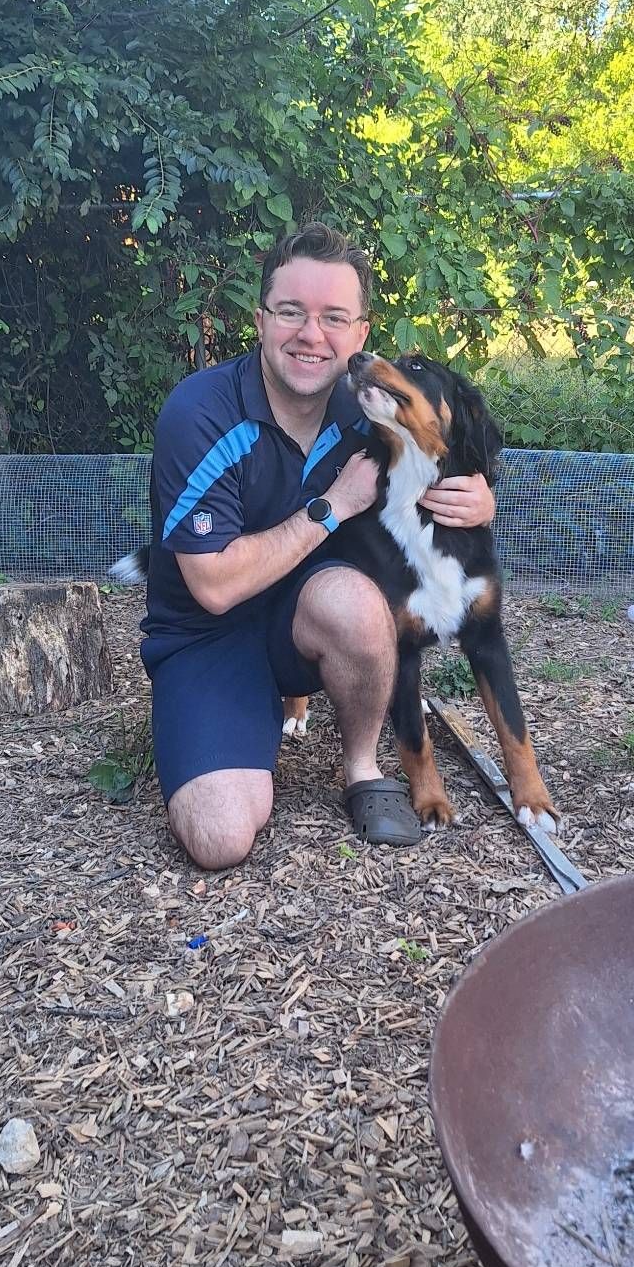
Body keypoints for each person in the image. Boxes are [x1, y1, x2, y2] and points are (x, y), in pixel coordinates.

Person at [134, 222, 496, 870]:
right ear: (262, 319)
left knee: (361, 603)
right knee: (219, 838)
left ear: (360, 333)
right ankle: (234, 720)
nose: (311, 334)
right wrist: (334, 504)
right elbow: (214, 587)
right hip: (205, 634)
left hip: (309, 617)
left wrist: (481, 494)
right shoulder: (199, 413)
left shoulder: (365, 409)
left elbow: (453, 440)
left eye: (334, 317)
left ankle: (361, 768)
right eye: (292, 312)